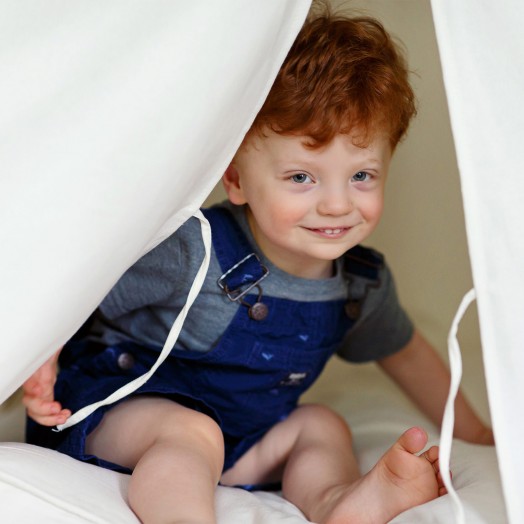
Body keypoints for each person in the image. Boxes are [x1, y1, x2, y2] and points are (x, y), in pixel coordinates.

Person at [23, 7, 493, 524]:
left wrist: (476, 433)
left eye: (361, 175)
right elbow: (85, 292)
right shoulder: (194, 249)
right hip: (116, 412)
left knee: (321, 425)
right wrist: (43, 362)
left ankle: (334, 501)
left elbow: (405, 352)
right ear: (237, 180)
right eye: (301, 178)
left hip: (240, 439)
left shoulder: (361, 285)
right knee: (191, 431)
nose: (337, 204)